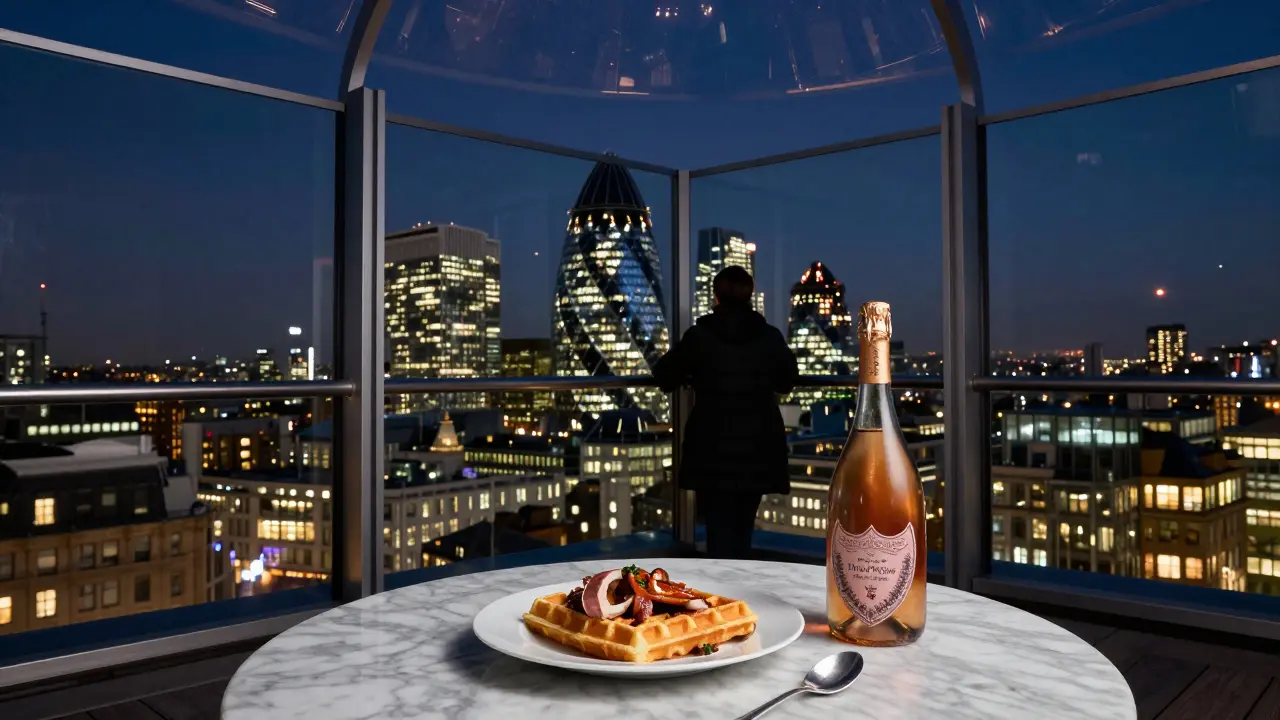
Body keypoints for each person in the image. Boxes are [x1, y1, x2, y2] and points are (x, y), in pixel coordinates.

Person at [655, 265, 798, 559]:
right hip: (758, 447)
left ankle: (721, 583)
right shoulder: (769, 337)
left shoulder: (700, 337)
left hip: (712, 447)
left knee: (717, 531)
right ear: (750, 297)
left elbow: (665, 377)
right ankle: (741, 581)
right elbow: (787, 382)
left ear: (716, 297)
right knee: (744, 528)